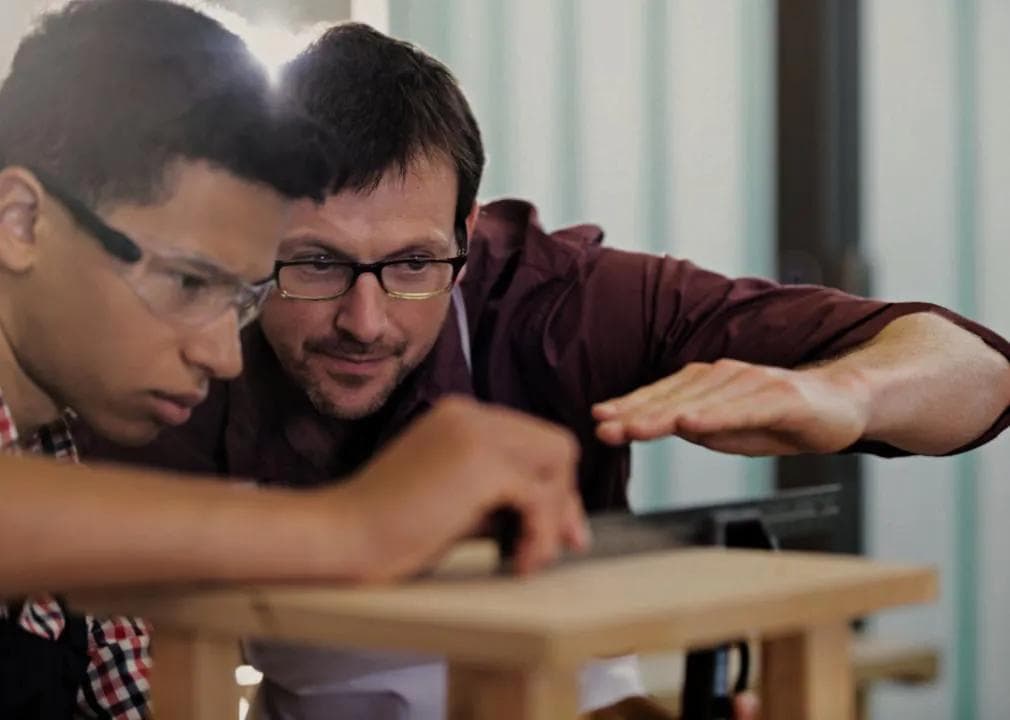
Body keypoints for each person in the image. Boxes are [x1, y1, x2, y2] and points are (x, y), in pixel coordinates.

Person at [86, 22, 1010, 720]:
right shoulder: (178, 347)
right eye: (314, 264)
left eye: (413, 265)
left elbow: (975, 369)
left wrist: (842, 393)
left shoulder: (557, 302)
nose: (363, 322)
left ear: (467, 229)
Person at [0, 5, 587, 718]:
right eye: (189, 283)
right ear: (21, 220)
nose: (221, 355)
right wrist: (355, 527)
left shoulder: (56, 459)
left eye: (242, 299)